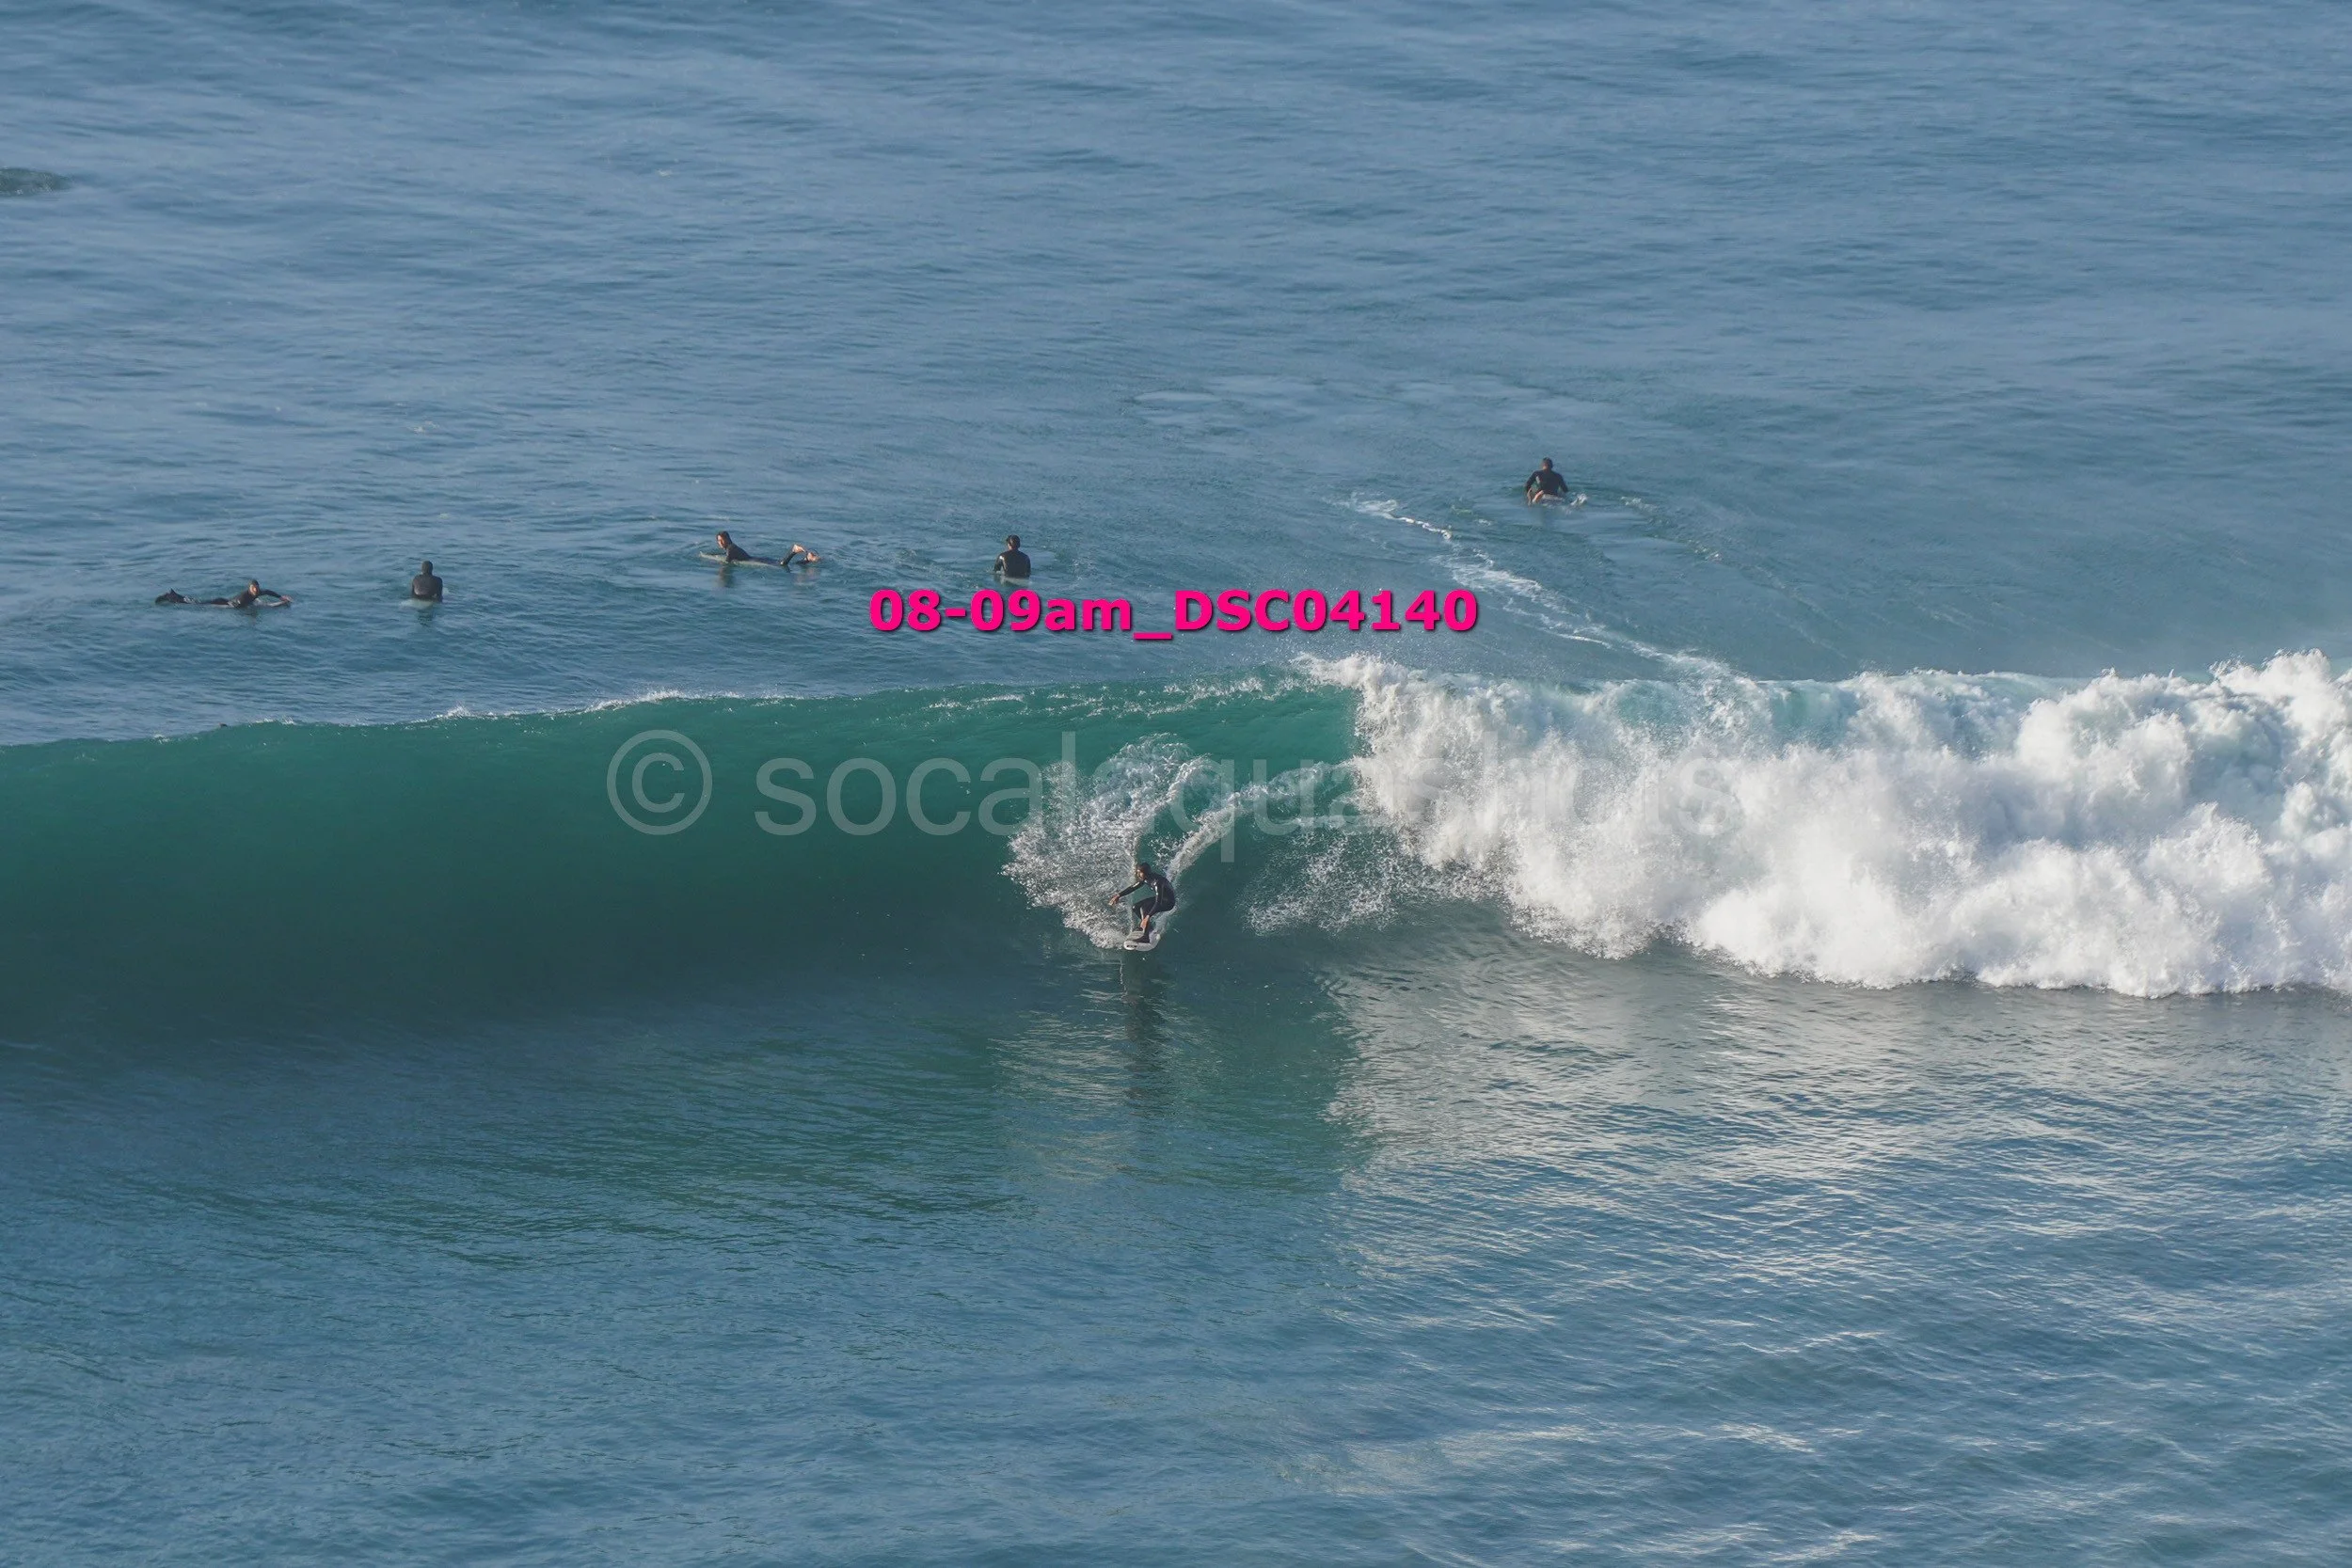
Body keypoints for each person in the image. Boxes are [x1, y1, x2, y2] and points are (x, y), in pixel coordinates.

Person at [1108, 861, 1176, 942]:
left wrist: (1147, 917)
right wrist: (1118, 895)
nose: (1138, 875)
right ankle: (1149, 928)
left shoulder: (1157, 882)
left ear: (1145, 873)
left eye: (1140, 873)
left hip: (1169, 902)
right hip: (1162, 899)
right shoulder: (1145, 879)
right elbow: (1133, 887)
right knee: (1135, 907)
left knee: (1145, 908)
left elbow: (1158, 903)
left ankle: (1146, 937)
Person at [714, 530, 818, 566]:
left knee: (782, 564)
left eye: (721, 540)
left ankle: (794, 550)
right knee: (782, 563)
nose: (720, 543)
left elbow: (726, 563)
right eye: (718, 541)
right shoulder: (732, 548)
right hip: (757, 558)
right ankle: (807, 559)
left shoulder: (730, 549)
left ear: (727, 539)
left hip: (756, 560)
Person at [156, 580, 291, 608]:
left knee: (195, 601)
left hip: (226, 601)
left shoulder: (258, 592)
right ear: (249, 588)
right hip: (222, 603)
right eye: (253, 588)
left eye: (257, 588)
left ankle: (173, 595)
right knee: (195, 604)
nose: (256, 590)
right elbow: (235, 607)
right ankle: (170, 597)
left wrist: (280, 597)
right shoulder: (245, 597)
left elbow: (268, 592)